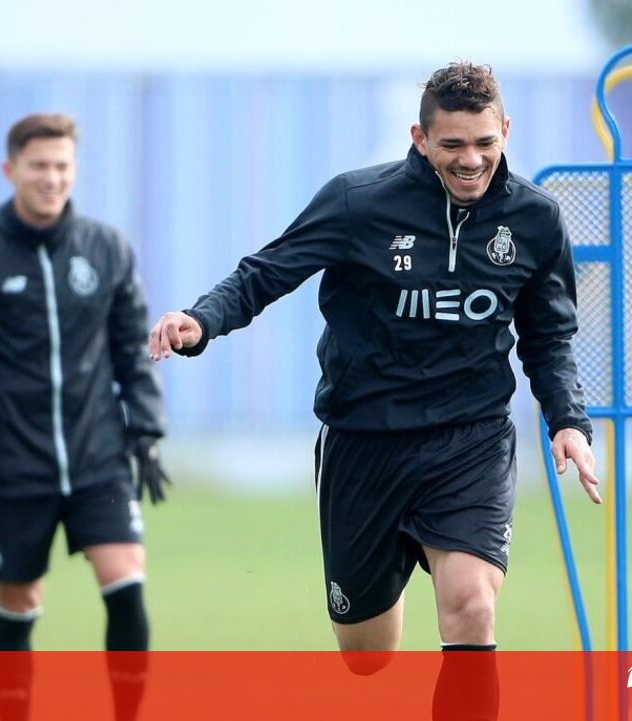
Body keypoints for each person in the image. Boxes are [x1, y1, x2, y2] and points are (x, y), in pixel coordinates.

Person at [148, 62, 599, 717]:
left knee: (472, 604)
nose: (471, 160)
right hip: (364, 442)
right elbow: (265, 273)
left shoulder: (534, 219)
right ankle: (396, 559)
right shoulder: (357, 203)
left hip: (470, 440)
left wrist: (568, 421)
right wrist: (201, 321)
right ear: (420, 137)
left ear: (505, 129)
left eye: (484, 142)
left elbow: (549, 336)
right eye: (452, 145)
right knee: (367, 654)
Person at [0, 112, 168, 721]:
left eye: (62, 166)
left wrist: (145, 430)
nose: (51, 178)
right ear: (11, 170)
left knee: (126, 579)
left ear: (73, 170)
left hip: (97, 457)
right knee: (19, 602)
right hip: (13, 465)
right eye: (39, 166)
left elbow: (131, 351)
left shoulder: (107, 249)